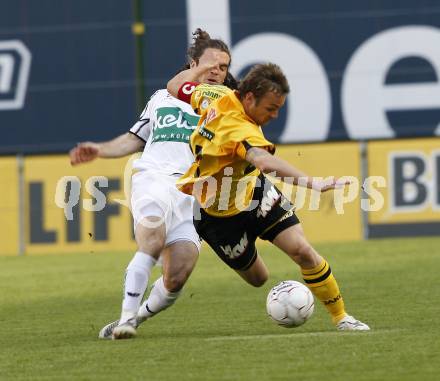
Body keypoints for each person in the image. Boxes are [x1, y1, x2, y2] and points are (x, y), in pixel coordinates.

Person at [168, 62, 370, 331]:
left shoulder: (212, 94)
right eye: (271, 108)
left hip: (255, 192)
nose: (275, 115)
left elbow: (174, 86)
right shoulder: (238, 130)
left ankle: (342, 317)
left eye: (279, 108)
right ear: (249, 98)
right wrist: (314, 183)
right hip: (218, 217)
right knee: (258, 278)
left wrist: (199, 69)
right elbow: (264, 161)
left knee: (302, 251)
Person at [69, 29, 236, 339]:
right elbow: (135, 139)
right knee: (152, 240)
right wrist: (100, 149)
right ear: (191, 63)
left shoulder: (229, 107)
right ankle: (126, 318)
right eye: (210, 64)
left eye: (223, 67)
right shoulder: (163, 98)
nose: (216, 71)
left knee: (177, 275)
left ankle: (138, 317)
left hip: (192, 194)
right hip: (154, 177)